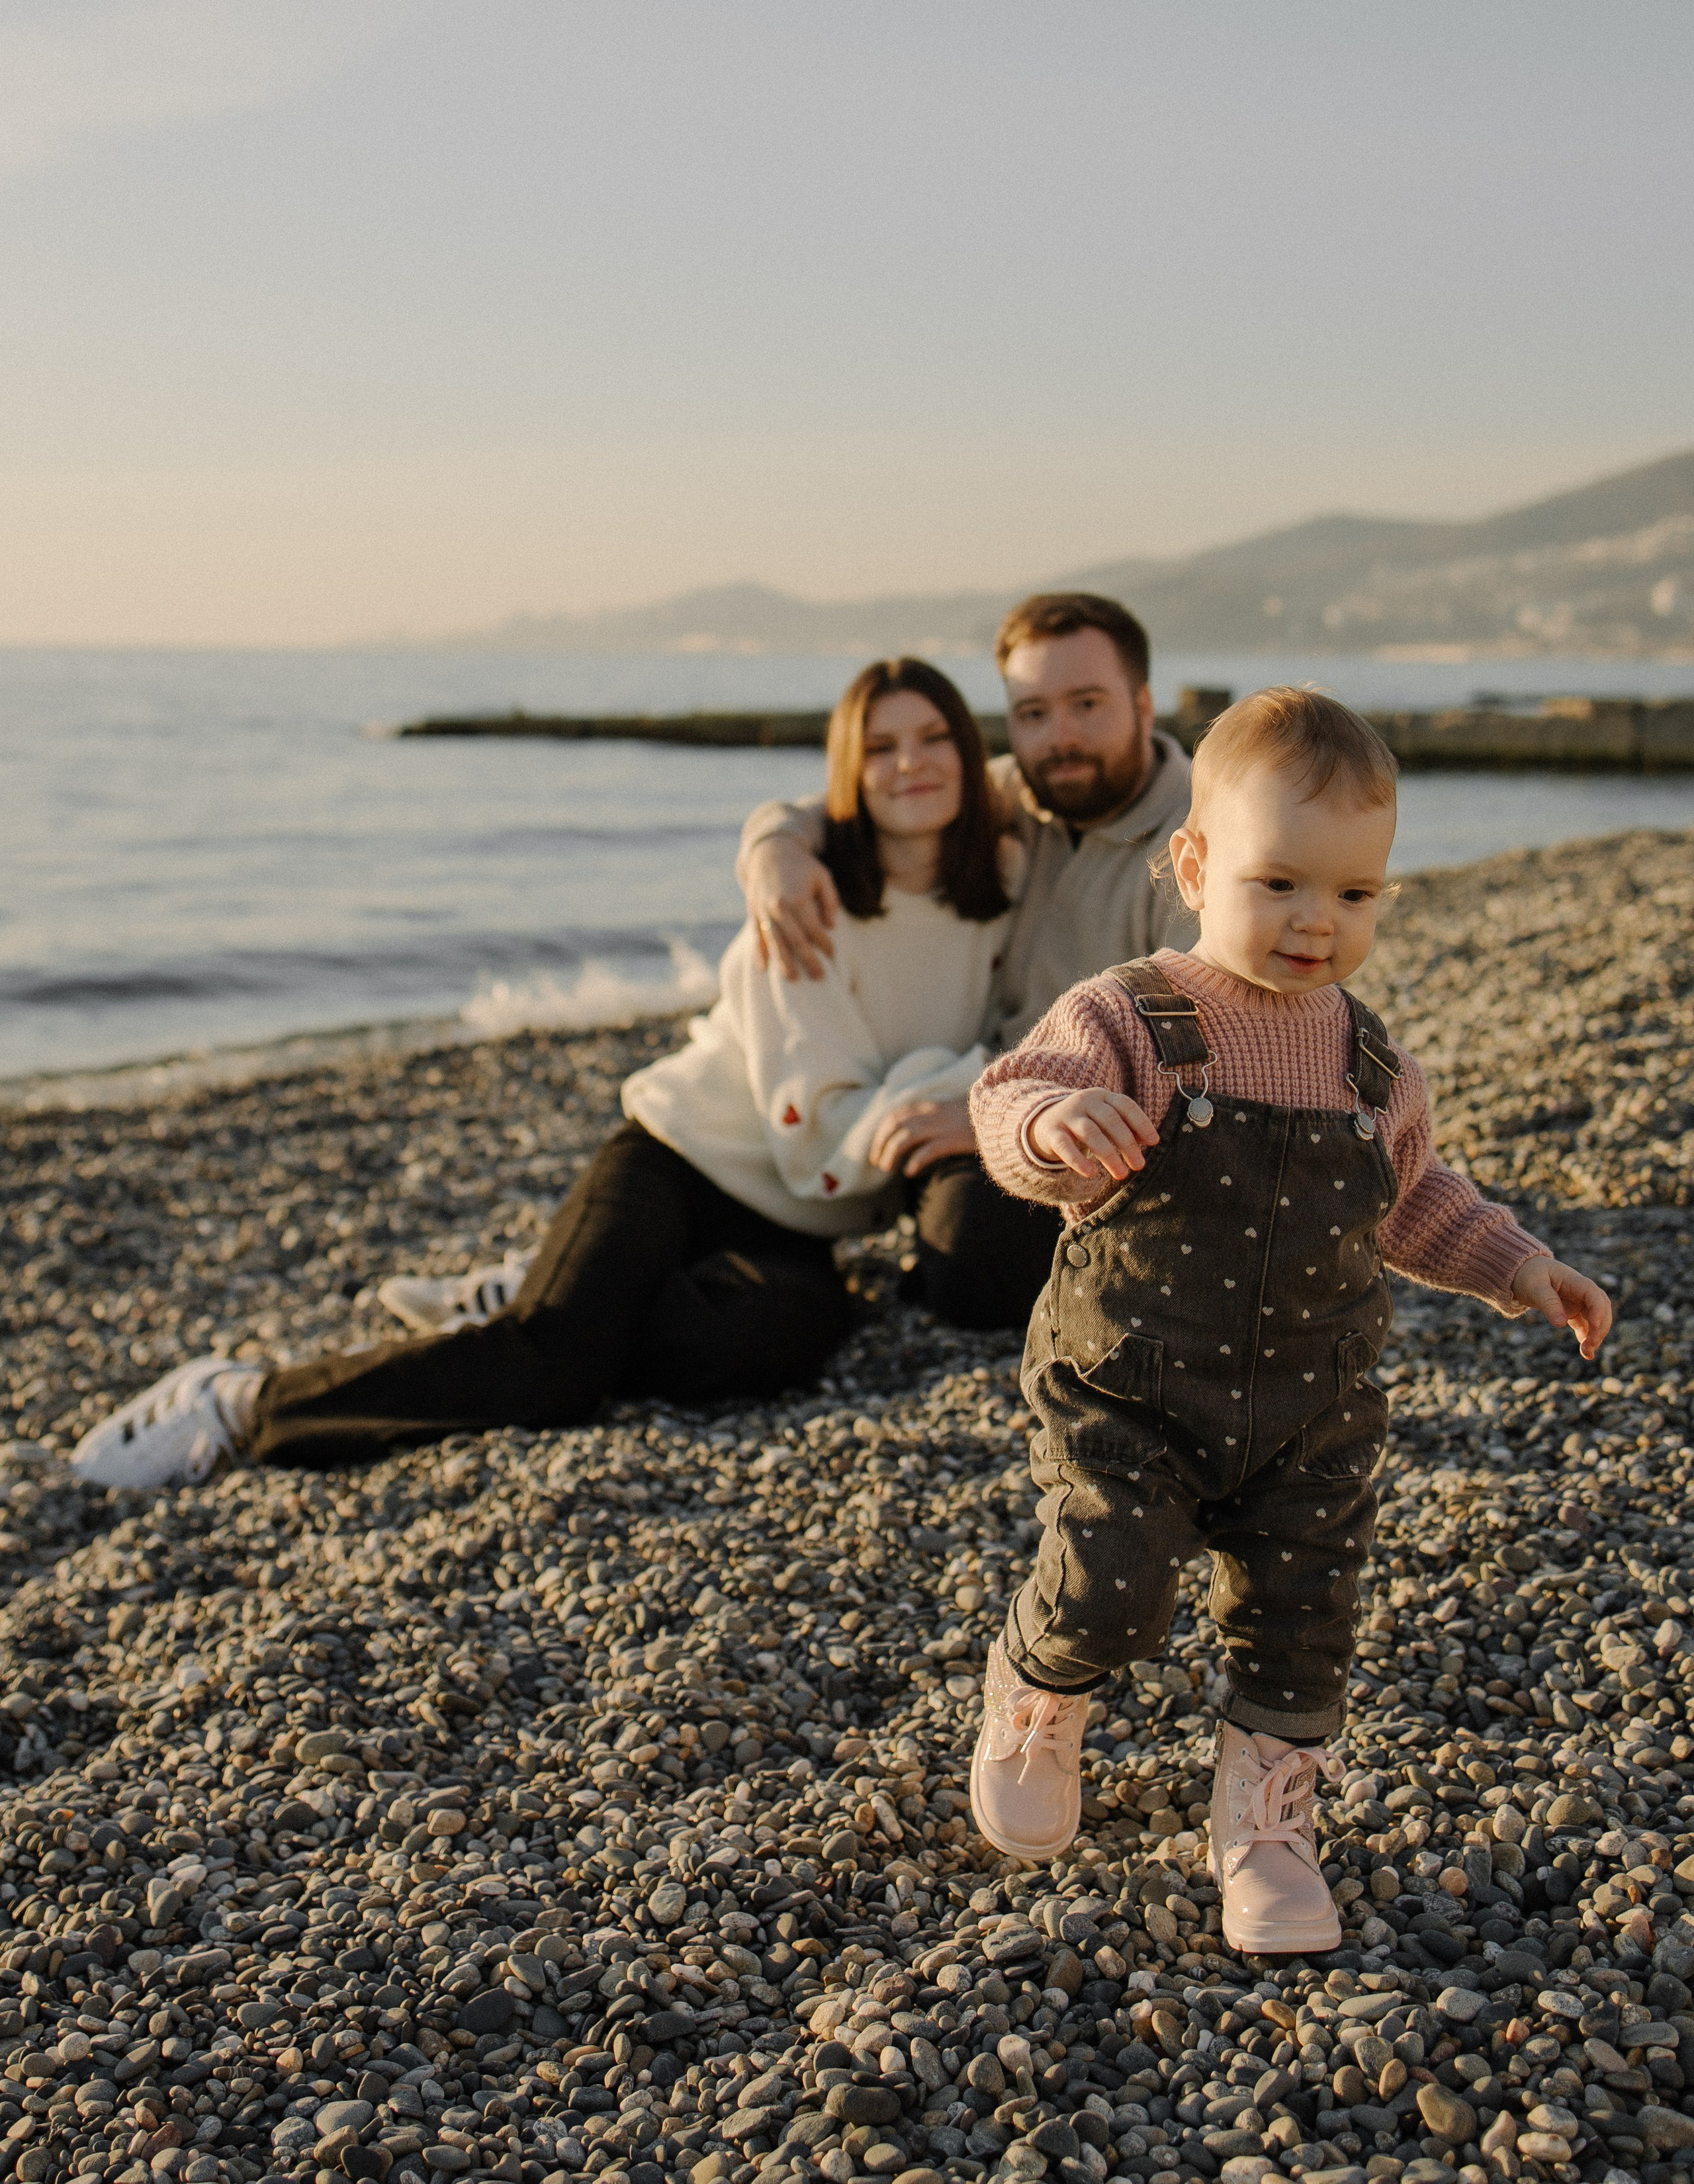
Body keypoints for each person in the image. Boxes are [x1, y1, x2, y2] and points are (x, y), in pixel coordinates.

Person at [960, 685, 1611, 1948]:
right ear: (1194, 866)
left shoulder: (1373, 1066)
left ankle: (1264, 1820)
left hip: (1313, 1410)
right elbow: (1008, 1097)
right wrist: (1052, 1125)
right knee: (1109, 1581)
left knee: (1303, 1619)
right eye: (1281, 886)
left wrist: (1520, 1267)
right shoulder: (1128, 1016)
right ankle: (1037, 1693)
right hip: (1131, 1388)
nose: (1319, 921)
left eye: (1355, 896)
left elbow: (1415, 1199)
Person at [70, 659, 1019, 1488]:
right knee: (554, 1370)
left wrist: (962, 1085)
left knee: (778, 1344)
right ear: (848, 769)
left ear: (971, 754)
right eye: (882, 747)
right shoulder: (804, 903)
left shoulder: (1005, 884)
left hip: (799, 1218)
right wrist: (957, 1081)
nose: (911, 764)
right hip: (684, 1161)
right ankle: (243, 1402)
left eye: (936, 737)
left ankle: (541, 1293)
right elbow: (819, 1134)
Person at [734, 591, 1198, 1332]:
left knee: (972, 1267)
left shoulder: (1196, 843)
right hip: (992, 1094)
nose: (1060, 738)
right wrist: (773, 850)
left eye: (1087, 704)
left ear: (1143, 705)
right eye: (1033, 713)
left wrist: (999, 1119)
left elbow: (1205, 1061)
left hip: (1118, 1127)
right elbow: (863, 797)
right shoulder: (1023, 795)